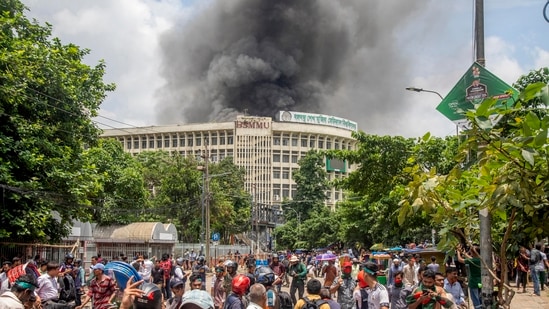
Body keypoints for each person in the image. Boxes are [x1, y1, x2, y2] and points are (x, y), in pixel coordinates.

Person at [456, 244, 481, 309]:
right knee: (480, 297)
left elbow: (460, 260)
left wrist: (458, 252)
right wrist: (464, 253)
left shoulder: (473, 261)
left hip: (473, 283)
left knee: (475, 299)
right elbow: (471, 258)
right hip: (480, 282)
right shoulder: (480, 260)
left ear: (473, 252)